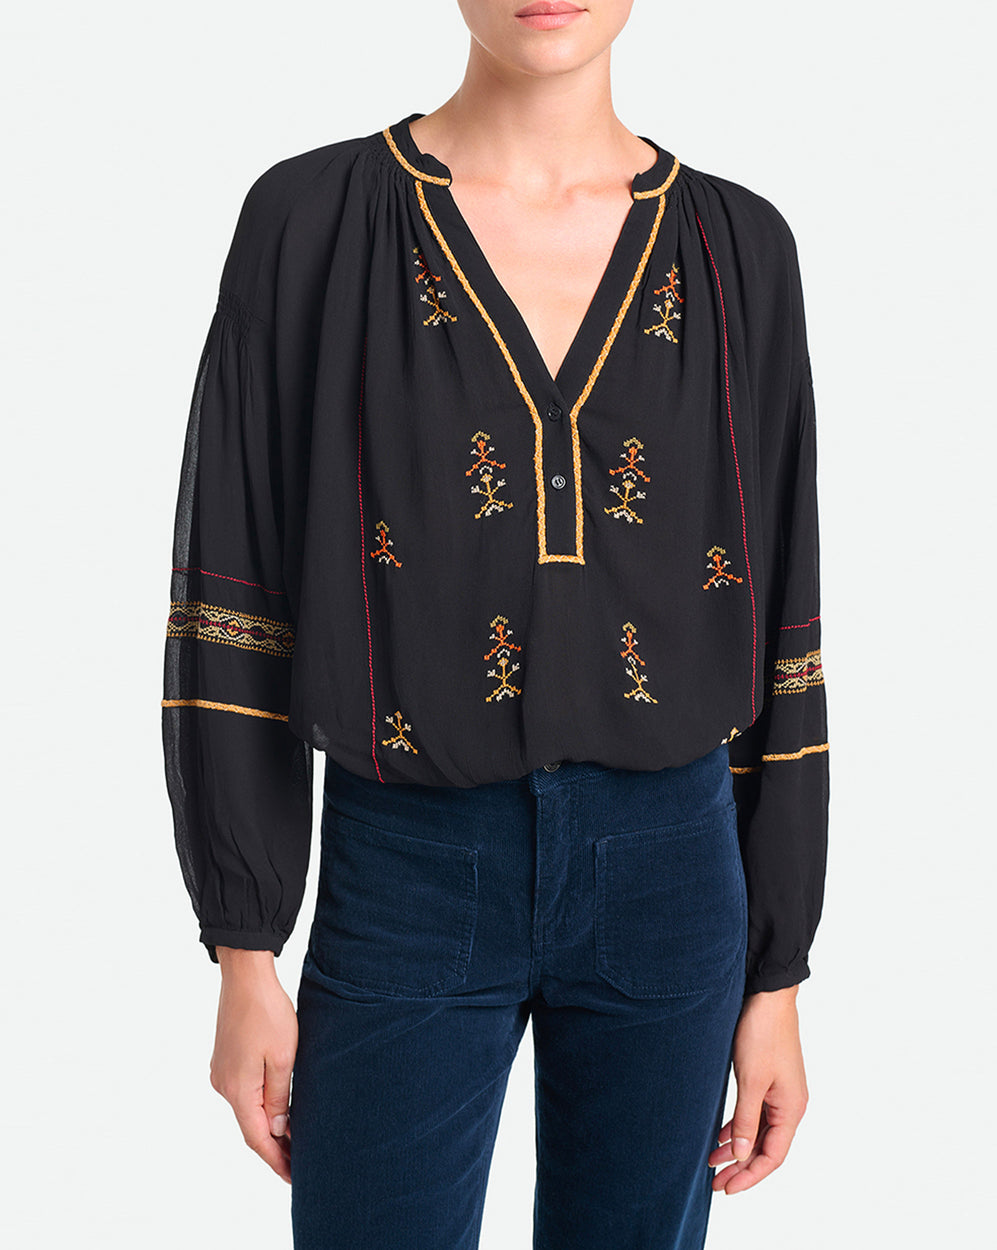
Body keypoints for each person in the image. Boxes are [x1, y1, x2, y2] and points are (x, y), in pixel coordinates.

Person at [160, 2, 829, 1246]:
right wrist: (244, 947)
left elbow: (780, 609)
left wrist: (776, 972)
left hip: (673, 869)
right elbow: (234, 586)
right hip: (408, 859)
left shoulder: (737, 245)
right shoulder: (313, 221)